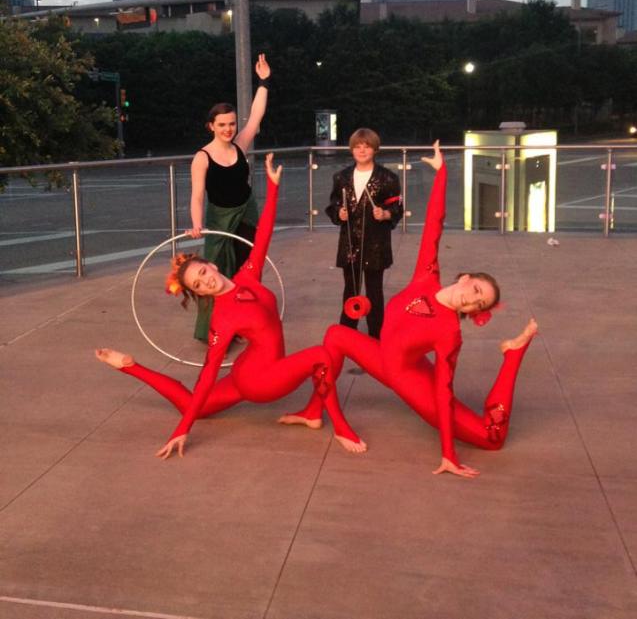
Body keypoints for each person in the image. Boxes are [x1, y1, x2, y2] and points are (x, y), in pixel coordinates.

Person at [280, 141, 538, 479]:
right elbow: (435, 223)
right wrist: (442, 174)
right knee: (335, 335)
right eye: (476, 290)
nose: (472, 301)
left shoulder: (450, 332)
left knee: (491, 437)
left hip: (412, 382)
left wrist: (449, 454)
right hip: (382, 358)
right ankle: (316, 412)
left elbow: (443, 392)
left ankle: (513, 354)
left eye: (479, 304)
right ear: (465, 277)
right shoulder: (426, 277)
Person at [96, 154, 366, 460]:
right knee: (321, 355)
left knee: (193, 406)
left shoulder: (248, 275)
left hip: (245, 372)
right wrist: (181, 430)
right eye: (197, 286)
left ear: (211, 265)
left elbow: (263, 235)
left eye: (202, 274)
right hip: (260, 383)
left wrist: (274, 187)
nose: (205, 283)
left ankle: (312, 413)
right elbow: (209, 372)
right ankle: (341, 427)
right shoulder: (221, 318)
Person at [188, 52, 271, 342]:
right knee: (214, 271)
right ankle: (212, 329)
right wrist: (197, 224)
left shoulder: (240, 144)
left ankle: (245, 322)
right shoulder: (202, 157)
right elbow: (198, 195)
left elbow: (257, 114)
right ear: (211, 125)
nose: (228, 129)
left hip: (246, 211)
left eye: (232, 124)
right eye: (222, 124)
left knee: (247, 268)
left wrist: (263, 81)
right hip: (219, 218)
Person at [326, 128, 402, 339]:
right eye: (357, 146)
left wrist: (385, 214)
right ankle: (347, 333)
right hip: (350, 242)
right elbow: (333, 205)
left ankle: (376, 335)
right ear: (351, 150)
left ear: (375, 149)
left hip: (376, 244)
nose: (362, 150)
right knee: (350, 289)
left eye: (366, 146)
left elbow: (398, 208)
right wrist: (339, 214)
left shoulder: (388, 178)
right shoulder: (341, 177)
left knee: (374, 291)